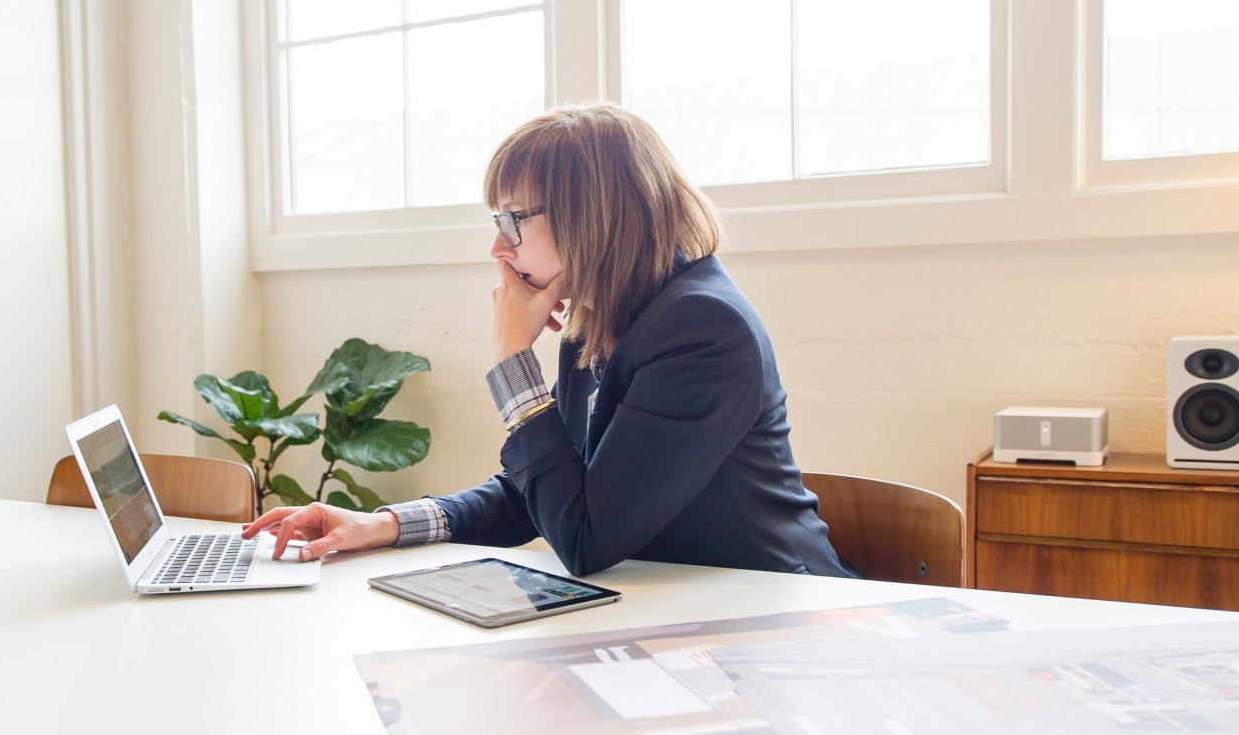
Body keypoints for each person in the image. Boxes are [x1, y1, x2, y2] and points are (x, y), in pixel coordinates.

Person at [242, 102, 855, 579]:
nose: (497, 248)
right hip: (679, 612)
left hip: (776, 617)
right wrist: (384, 524)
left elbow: (585, 536)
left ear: (594, 214)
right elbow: (542, 492)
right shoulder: (602, 315)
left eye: (513, 220)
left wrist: (514, 366)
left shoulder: (705, 331)